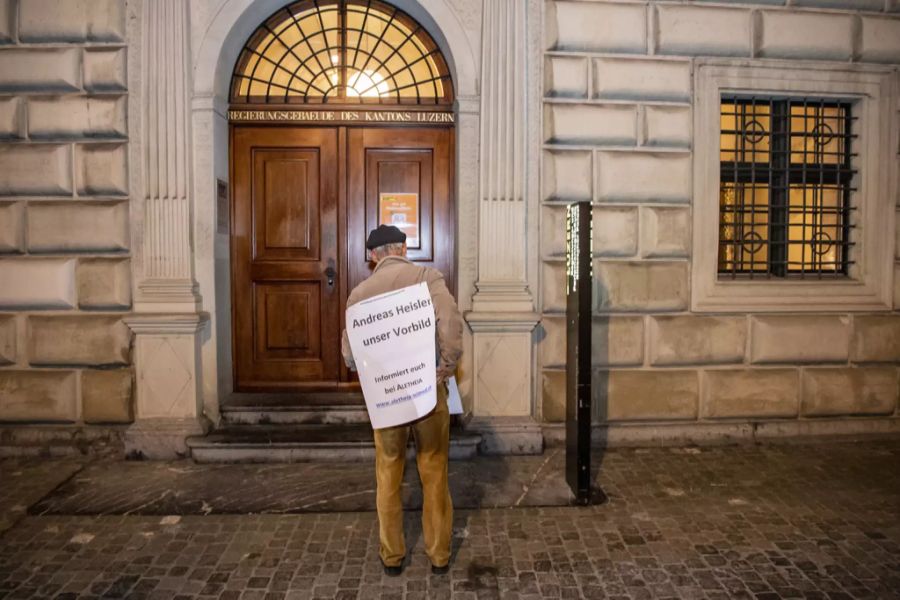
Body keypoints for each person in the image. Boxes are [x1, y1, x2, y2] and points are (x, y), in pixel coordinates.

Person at [341, 224, 463, 577]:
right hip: (426, 390)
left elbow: (350, 354)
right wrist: (445, 368)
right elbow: (452, 327)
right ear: (404, 248)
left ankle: (392, 555)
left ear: (372, 256)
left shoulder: (360, 293)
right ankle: (439, 554)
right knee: (434, 468)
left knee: (388, 471)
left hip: (387, 398)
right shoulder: (429, 278)